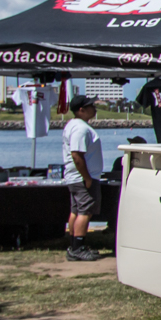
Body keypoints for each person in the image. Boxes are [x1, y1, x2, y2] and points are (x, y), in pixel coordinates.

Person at [63, 96, 105, 262]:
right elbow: (76, 155)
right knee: (85, 212)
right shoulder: (80, 129)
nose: (94, 108)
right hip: (82, 178)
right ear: (81, 110)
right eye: (90, 106)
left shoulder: (74, 126)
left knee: (76, 211)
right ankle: (78, 247)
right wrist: (87, 178)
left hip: (76, 177)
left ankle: (74, 245)